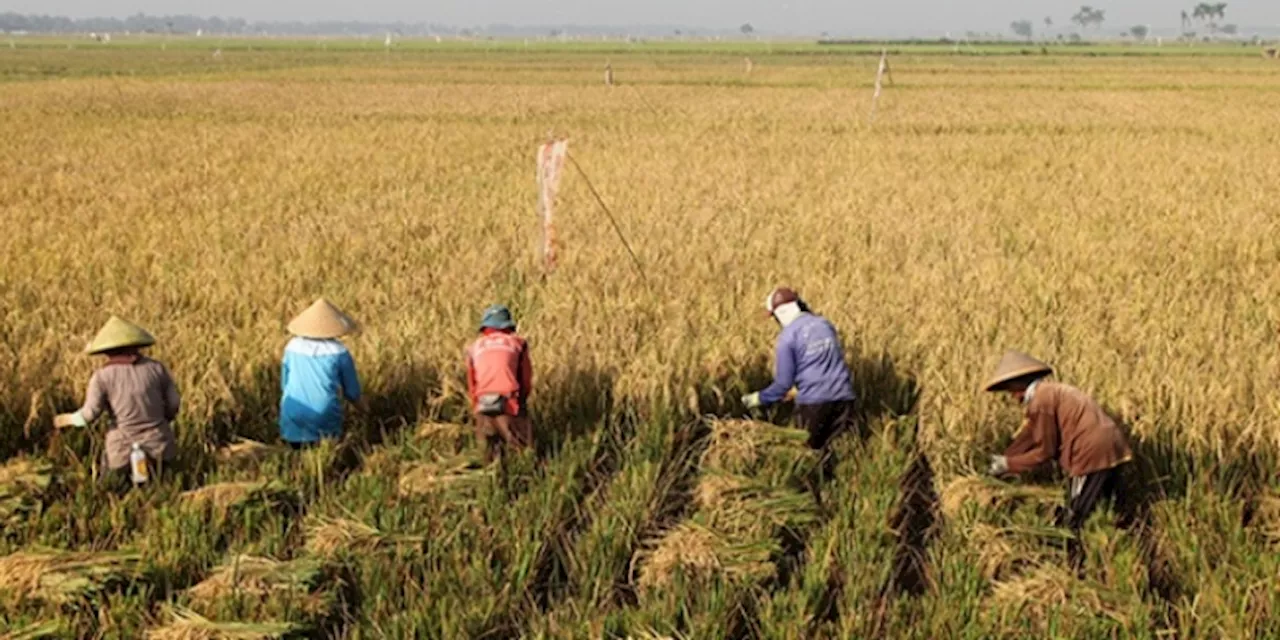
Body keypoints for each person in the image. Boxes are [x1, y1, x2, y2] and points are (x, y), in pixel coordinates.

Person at [983, 350, 1134, 569]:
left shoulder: (1040, 401)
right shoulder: (1051, 392)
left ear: (1019, 385)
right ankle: (1119, 558)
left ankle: (1074, 568)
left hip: (1091, 454)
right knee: (1112, 508)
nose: (1011, 396)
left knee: (1075, 516)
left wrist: (1008, 465)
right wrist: (1008, 455)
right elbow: (1030, 435)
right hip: (1113, 446)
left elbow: (1045, 450)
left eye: (1010, 390)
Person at [53, 316, 180, 488]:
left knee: (112, 490)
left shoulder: (102, 377)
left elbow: (89, 415)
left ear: (107, 351)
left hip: (122, 451)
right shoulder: (157, 368)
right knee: (165, 489)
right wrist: (162, 421)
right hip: (160, 446)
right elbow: (174, 403)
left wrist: (64, 419)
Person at [741, 287, 857, 450]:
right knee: (836, 454)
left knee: (806, 454)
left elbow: (782, 385)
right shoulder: (824, 324)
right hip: (844, 399)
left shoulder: (788, 336)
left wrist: (757, 398)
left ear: (780, 314)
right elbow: (826, 364)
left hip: (814, 404)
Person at [279, 298, 363, 450]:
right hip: (324, 414)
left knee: (295, 456)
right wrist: (364, 411)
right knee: (325, 452)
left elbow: (284, 384)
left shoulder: (291, 346)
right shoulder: (339, 351)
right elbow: (352, 392)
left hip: (292, 411)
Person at [466, 304, 533, 462]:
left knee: (487, 458)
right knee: (522, 454)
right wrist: (521, 403)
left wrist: (476, 406)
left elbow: (472, 383)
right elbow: (525, 379)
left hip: (483, 404)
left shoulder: (473, 347)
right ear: (508, 326)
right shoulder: (518, 344)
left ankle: (488, 483)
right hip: (509, 403)